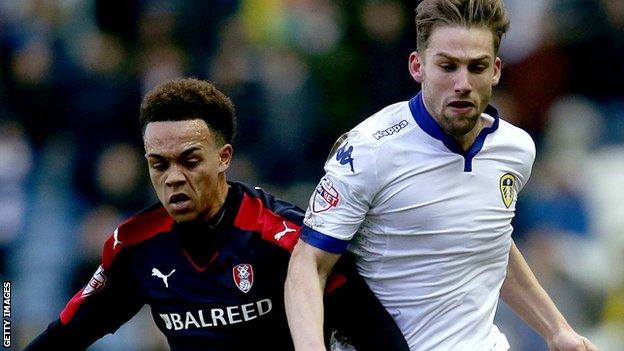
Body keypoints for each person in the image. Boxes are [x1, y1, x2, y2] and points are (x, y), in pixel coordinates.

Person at [284, 1, 599, 350]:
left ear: (495, 70)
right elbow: (308, 264)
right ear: (418, 67)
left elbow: (490, 240)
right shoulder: (368, 151)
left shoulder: (516, 148)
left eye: (476, 67)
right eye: (447, 66)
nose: (462, 83)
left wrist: (557, 330)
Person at [23, 78, 409, 351]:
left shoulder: (288, 239)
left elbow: (375, 333)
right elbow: (65, 336)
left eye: (190, 161)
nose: (174, 178)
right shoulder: (135, 246)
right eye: (159, 165)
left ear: (224, 157)